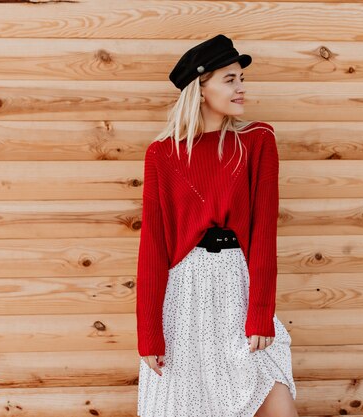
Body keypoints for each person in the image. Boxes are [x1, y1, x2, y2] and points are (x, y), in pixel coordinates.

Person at [135, 34, 299, 417]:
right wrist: (149, 333)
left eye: (241, 78)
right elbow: (153, 249)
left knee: (275, 400)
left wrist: (260, 311)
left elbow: (263, 235)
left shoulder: (257, 141)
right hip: (185, 296)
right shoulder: (162, 154)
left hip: (238, 287)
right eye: (230, 79)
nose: (240, 88)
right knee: (189, 404)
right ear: (201, 86)